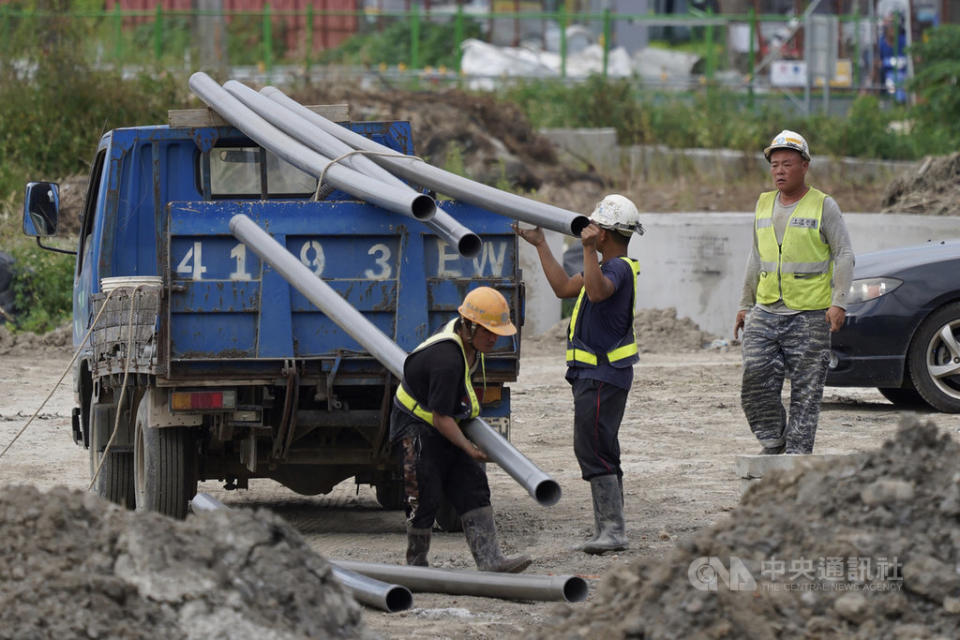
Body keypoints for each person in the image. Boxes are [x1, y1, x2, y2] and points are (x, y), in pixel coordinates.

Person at [515, 194, 643, 554]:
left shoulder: (616, 268)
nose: (590, 230)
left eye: (595, 226)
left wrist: (587, 251)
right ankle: (610, 526)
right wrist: (541, 245)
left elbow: (599, 294)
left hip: (604, 374)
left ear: (604, 234)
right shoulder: (602, 267)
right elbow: (563, 289)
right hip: (594, 374)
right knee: (601, 446)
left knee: (592, 447)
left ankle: (613, 530)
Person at [390, 286, 531, 573]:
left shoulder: (468, 342)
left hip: (442, 418)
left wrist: (467, 451)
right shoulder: (447, 360)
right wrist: (469, 448)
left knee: (472, 484)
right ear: (469, 326)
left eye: (497, 331)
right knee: (424, 490)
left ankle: (491, 560)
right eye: (488, 331)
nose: (494, 338)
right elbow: (441, 418)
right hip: (414, 425)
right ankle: (417, 565)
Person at [733, 130, 854, 455]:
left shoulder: (823, 206)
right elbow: (756, 255)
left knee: (806, 392)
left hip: (811, 315)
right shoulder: (763, 204)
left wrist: (838, 302)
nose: (780, 171)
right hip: (767, 310)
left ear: (805, 165)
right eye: (774, 165)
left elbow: (844, 254)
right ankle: (773, 440)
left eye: (787, 163)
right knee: (755, 378)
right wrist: (745, 304)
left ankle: (797, 457)